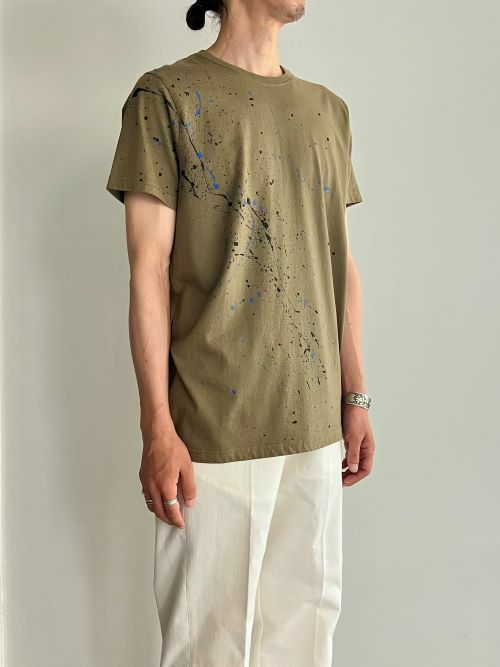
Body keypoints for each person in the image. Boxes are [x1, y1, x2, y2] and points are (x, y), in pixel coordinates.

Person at [105, 0, 376, 664]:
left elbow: (339, 262)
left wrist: (356, 395)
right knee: (208, 648)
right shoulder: (165, 98)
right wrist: (156, 425)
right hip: (212, 429)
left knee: (305, 641)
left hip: (315, 429)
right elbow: (148, 268)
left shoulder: (328, 111)